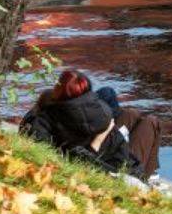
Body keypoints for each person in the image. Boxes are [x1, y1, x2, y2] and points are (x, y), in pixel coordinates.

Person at [19, 69, 160, 179]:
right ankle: (150, 172)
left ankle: (151, 172)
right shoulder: (85, 121)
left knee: (131, 113)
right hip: (115, 166)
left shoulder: (47, 110)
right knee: (151, 123)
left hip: (110, 152)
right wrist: (101, 137)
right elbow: (83, 160)